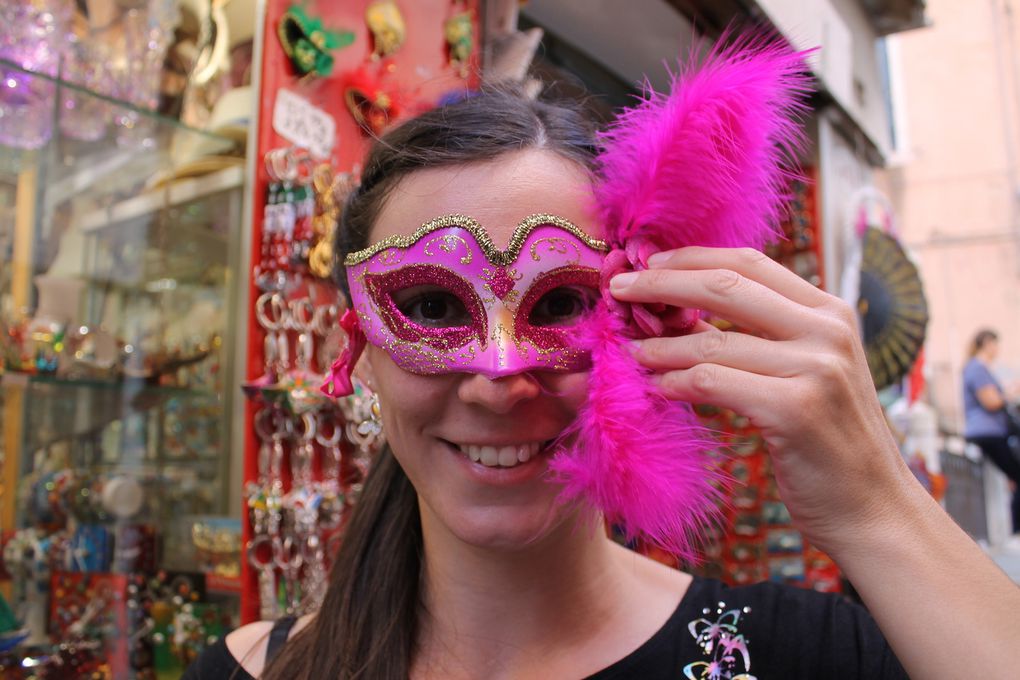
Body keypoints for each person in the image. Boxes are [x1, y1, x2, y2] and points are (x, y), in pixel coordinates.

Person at [184, 86, 1020, 680]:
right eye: (433, 305)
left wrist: (879, 507)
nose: (501, 375)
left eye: (563, 303)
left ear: (645, 320)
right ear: (356, 346)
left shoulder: (797, 657)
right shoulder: (247, 671)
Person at [963, 328, 1020, 535]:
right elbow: (991, 401)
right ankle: (1016, 529)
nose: (997, 349)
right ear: (987, 344)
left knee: (1013, 475)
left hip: (993, 431)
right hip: (988, 432)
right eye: (995, 344)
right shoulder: (977, 368)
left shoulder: (982, 368)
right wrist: (1010, 393)